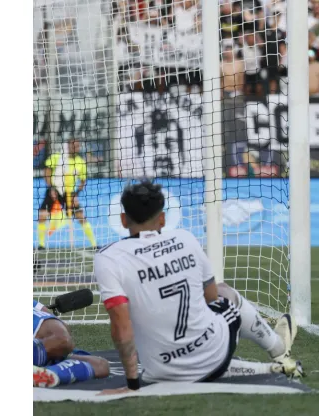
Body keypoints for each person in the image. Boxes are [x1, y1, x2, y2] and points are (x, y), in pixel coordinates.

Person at [94, 181, 302, 394]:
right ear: (163, 219)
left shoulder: (107, 257)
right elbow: (211, 297)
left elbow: (121, 327)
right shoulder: (185, 239)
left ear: (122, 219)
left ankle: (265, 364)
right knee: (225, 293)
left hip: (158, 370)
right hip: (212, 353)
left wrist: (132, 386)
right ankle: (278, 348)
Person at [37, 138, 98, 250]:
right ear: (67, 146)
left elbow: (83, 181)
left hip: (69, 193)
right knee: (42, 215)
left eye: (77, 146)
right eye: (73, 146)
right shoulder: (57, 157)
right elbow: (47, 173)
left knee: (80, 217)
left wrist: (76, 194)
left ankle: (94, 244)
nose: (75, 148)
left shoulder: (80, 162)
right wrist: (51, 188)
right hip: (54, 189)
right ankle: (41, 244)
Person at [33, 300, 110, 387]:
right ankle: (48, 373)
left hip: (48, 346)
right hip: (48, 342)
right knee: (62, 340)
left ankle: (49, 373)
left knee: (100, 365)